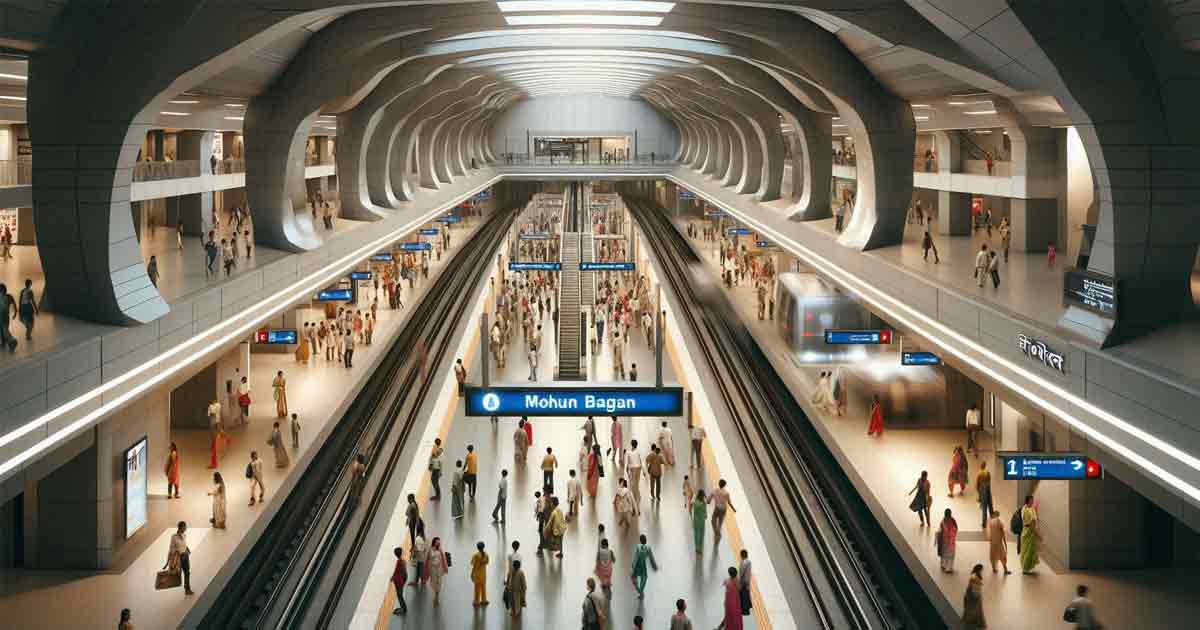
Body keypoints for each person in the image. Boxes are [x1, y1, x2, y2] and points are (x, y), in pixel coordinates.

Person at [167, 521, 194, 595]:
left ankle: (187, 589)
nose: (186, 528)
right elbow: (171, 548)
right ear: (181, 527)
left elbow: (184, 544)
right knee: (177, 573)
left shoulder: (184, 535)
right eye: (185, 527)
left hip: (185, 556)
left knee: (187, 572)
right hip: (179, 558)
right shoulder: (174, 537)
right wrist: (172, 558)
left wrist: (187, 550)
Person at [630, 534, 658, 599]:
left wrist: (633, 566)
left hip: (637, 565)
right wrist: (654, 566)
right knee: (644, 578)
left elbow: (635, 557)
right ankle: (641, 591)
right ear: (646, 540)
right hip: (643, 565)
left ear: (640, 541)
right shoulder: (648, 548)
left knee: (634, 578)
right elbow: (651, 558)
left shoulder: (638, 547)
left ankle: (640, 592)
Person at [1019, 495, 1041, 574]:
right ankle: (1025, 568)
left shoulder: (1025, 508)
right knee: (1028, 551)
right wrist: (1038, 535)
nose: (1033, 501)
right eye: (1032, 500)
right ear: (1028, 501)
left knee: (1026, 550)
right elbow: (1031, 524)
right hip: (1029, 532)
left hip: (1026, 531)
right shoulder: (1027, 511)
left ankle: (1026, 568)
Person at [961, 564, 986, 630]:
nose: (982, 571)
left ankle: (971, 622)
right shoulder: (974, 578)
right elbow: (974, 589)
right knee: (973, 610)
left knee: (973, 609)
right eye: (981, 570)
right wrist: (977, 595)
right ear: (979, 570)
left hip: (972, 596)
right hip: (973, 597)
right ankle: (972, 623)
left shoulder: (975, 576)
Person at [986, 508, 1011, 575]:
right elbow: (1002, 532)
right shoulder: (999, 521)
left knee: (993, 555)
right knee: (1002, 555)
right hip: (998, 542)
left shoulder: (990, 522)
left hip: (992, 543)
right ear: (997, 515)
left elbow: (989, 533)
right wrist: (1005, 543)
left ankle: (994, 569)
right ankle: (1005, 570)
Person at [427, 537, 449, 607]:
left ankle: (436, 597)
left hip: (439, 569)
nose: (438, 543)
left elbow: (443, 559)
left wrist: (445, 568)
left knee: (439, 582)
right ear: (434, 542)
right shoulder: (430, 550)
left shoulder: (440, 550)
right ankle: (436, 595)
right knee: (434, 582)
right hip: (432, 569)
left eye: (439, 542)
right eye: (437, 542)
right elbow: (428, 559)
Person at [936, 508, 959, 573]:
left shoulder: (943, 521)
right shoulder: (953, 521)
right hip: (951, 542)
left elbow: (939, 531)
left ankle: (943, 565)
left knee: (944, 554)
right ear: (950, 514)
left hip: (944, 541)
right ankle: (948, 568)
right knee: (950, 555)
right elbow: (956, 529)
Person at [469, 541, 489, 607]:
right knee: (483, 587)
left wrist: (472, 574)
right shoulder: (486, 555)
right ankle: (484, 600)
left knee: (477, 589)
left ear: (477, 548)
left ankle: (476, 601)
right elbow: (487, 562)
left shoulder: (476, 555)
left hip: (477, 574)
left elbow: (473, 564)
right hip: (483, 574)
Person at [391, 547, 408, 615]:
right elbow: (398, 571)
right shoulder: (401, 561)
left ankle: (403, 609)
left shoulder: (400, 562)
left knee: (400, 595)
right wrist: (393, 577)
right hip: (399, 580)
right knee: (399, 595)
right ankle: (403, 607)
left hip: (399, 581)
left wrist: (403, 580)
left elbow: (402, 572)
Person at [626, 439, 643, 507]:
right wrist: (644, 471)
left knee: (632, 483)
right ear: (637, 445)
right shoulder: (638, 451)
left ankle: (634, 497)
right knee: (637, 482)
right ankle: (638, 496)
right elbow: (640, 460)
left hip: (632, 468)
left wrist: (627, 468)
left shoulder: (629, 452)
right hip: (638, 468)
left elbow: (628, 461)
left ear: (631, 444)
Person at [976, 460, 993, 528]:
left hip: (982, 491)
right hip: (988, 490)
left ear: (981, 466)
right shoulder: (988, 473)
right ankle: (993, 520)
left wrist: (979, 494)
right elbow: (989, 482)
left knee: (984, 508)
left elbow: (977, 485)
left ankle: (984, 523)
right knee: (990, 506)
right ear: (985, 466)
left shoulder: (979, 474)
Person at [691, 489, 708, 554]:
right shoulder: (703, 502)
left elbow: (691, 503)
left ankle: (697, 548)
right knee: (701, 534)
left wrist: (694, 496)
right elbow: (705, 513)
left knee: (696, 534)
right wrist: (705, 514)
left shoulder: (695, 502)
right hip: (702, 521)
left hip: (696, 520)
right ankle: (700, 548)